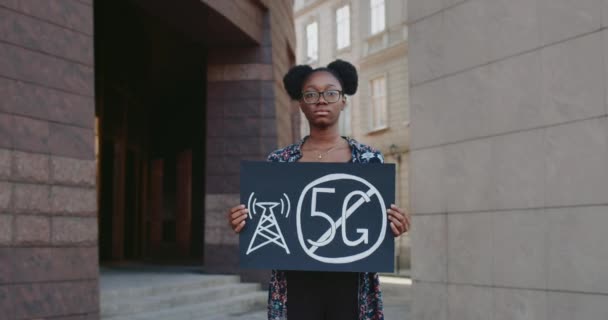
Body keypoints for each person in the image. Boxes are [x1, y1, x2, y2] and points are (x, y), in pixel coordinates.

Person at [227, 59, 410, 320]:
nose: (321, 100)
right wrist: (243, 220)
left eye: (331, 92)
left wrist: (394, 223)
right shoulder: (279, 162)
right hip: (295, 286)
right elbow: (264, 225)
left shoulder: (369, 160)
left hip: (351, 287)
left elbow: (376, 225)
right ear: (301, 103)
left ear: (343, 100)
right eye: (311, 94)